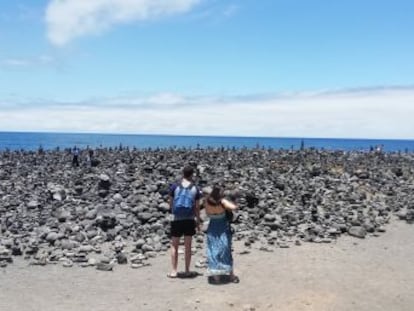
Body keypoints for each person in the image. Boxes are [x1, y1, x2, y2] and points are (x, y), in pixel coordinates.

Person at [168, 166, 202, 278]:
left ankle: (174, 270)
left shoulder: (174, 187)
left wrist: (172, 215)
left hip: (176, 219)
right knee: (188, 246)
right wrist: (197, 221)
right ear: (192, 174)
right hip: (189, 219)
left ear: (183, 174)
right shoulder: (195, 188)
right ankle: (187, 270)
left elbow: (171, 203)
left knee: (174, 245)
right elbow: (197, 207)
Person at [204, 185, 239, 283]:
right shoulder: (222, 202)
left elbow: (206, 213)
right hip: (222, 227)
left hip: (212, 227)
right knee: (226, 250)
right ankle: (231, 275)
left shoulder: (206, 201)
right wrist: (234, 201)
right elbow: (234, 207)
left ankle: (216, 277)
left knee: (213, 250)